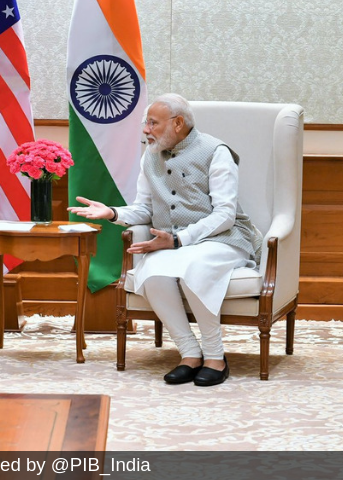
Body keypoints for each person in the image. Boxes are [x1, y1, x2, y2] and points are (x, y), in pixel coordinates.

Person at [68, 93, 261, 387]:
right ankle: (190, 354)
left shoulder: (216, 152)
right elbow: (144, 208)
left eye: (153, 123)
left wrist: (178, 240)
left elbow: (225, 214)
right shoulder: (150, 155)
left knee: (195, 267)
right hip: (176, 244)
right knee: (153, 272)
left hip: (224, 239)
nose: (146, 130)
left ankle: (215, 357)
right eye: (146, 123)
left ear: (178, 123)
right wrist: (112, 213)